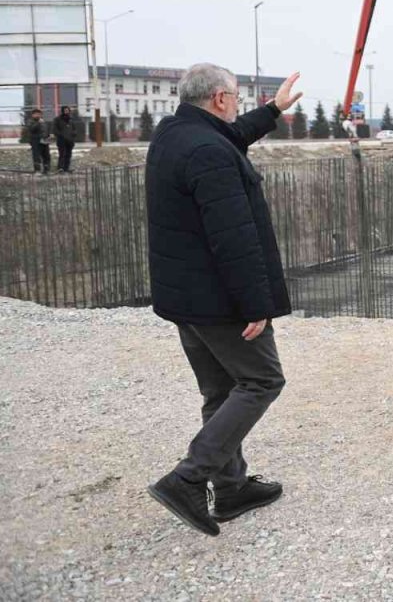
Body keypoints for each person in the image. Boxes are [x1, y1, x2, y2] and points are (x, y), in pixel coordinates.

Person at [144, 63, 303, 537]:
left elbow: (229, 136)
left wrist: (272, 109)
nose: (235, 106)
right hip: (218, 301)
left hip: (186, 298)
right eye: (234, 98)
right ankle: (188, 478)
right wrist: (254, 303)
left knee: (220, 391)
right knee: (261, 380)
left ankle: (230, 489)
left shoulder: (175, 135)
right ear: (218, 99)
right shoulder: (209, 152)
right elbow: (233, 237)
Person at [25, 108, 51, 175]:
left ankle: (46, 170)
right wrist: (38, 123)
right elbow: (32, 129)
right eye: (36, 114)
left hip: (45, 141)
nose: (38, 115)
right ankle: (37, 170)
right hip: (35, 141)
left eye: (39, 114)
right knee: (36, 156)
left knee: (46, 156)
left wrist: (48, 136)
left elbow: (46, 130)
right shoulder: (30, 121)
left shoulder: (43, 121)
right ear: (33, 115)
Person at [53, 105, 77, 173]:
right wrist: (61, 135)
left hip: (70, 140)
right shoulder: (57, 119)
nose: (67, 111)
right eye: (65, 110)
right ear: (62, 111)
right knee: (62, 154)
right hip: (61, 140)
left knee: (68, 154)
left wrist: (74, 134)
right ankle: (60, 167)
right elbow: (55, 130)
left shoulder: (71, 119)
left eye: (68, 110)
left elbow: (74, 129)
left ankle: (66, 168)